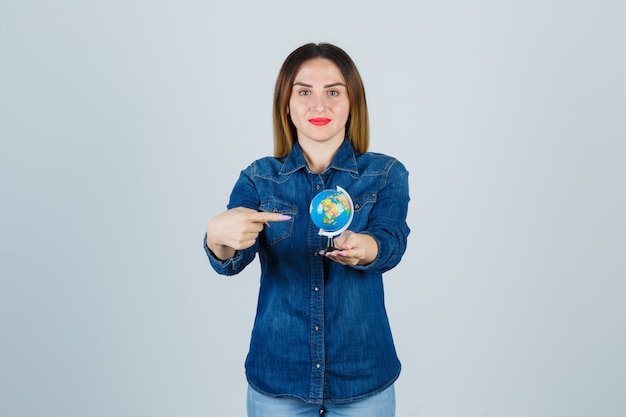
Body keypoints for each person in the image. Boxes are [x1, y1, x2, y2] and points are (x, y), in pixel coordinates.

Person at [204, 42, 410, 417]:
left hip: (363, 375)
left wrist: (365, 247)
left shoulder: (386, 174)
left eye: (333, 91)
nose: (320, 105)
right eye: (304, 92)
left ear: (353, 103)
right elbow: (232, 260)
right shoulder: (257, 179)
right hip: (279, 375)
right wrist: (218, 238)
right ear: (287, 104)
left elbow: (391, 242)